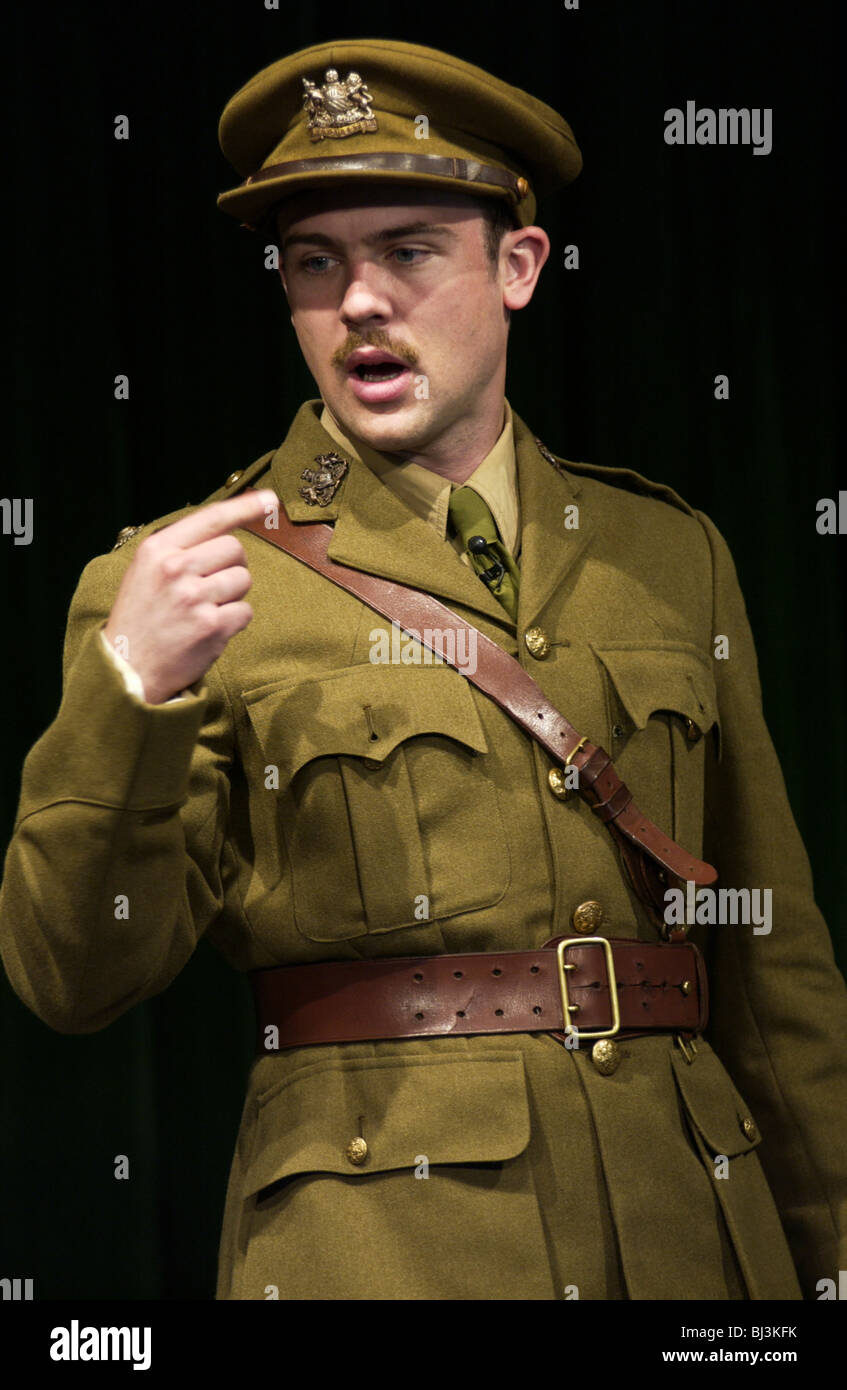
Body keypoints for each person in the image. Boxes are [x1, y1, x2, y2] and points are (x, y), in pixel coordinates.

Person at [1, 37, 845, 1302]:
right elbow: (73, 977)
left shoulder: (668, 552)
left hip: (688, 1239)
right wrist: (135, 690)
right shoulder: (185, 578)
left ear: (518, 267)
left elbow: (772, 961)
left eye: (406, 252)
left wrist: (832, 1253)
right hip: (386, 1252)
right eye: (314, 263)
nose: (357, 302)